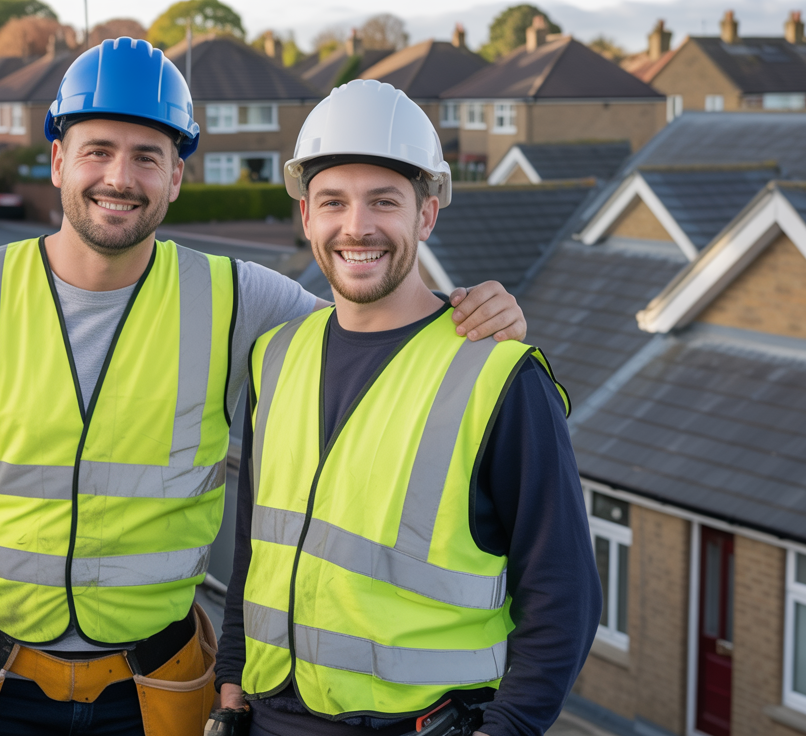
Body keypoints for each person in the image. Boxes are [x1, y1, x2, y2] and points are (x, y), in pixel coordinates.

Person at [0, 40, 528, 736]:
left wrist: (467, 310)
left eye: (147, 156)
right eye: (98, 150)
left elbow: (374, 319)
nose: (119, 177)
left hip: (153, 694)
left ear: (176, 177)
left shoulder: (236, 299)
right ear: (58, 161)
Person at [214, 79, 601, 736]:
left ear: (426, 215)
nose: (356, 227)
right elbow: (257, 543)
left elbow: (565, 596)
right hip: (266, 720)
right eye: (332, 201)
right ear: (306, 216)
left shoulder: (500, 376)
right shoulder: (275, 355)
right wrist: (230, 677)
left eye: (383, 202)